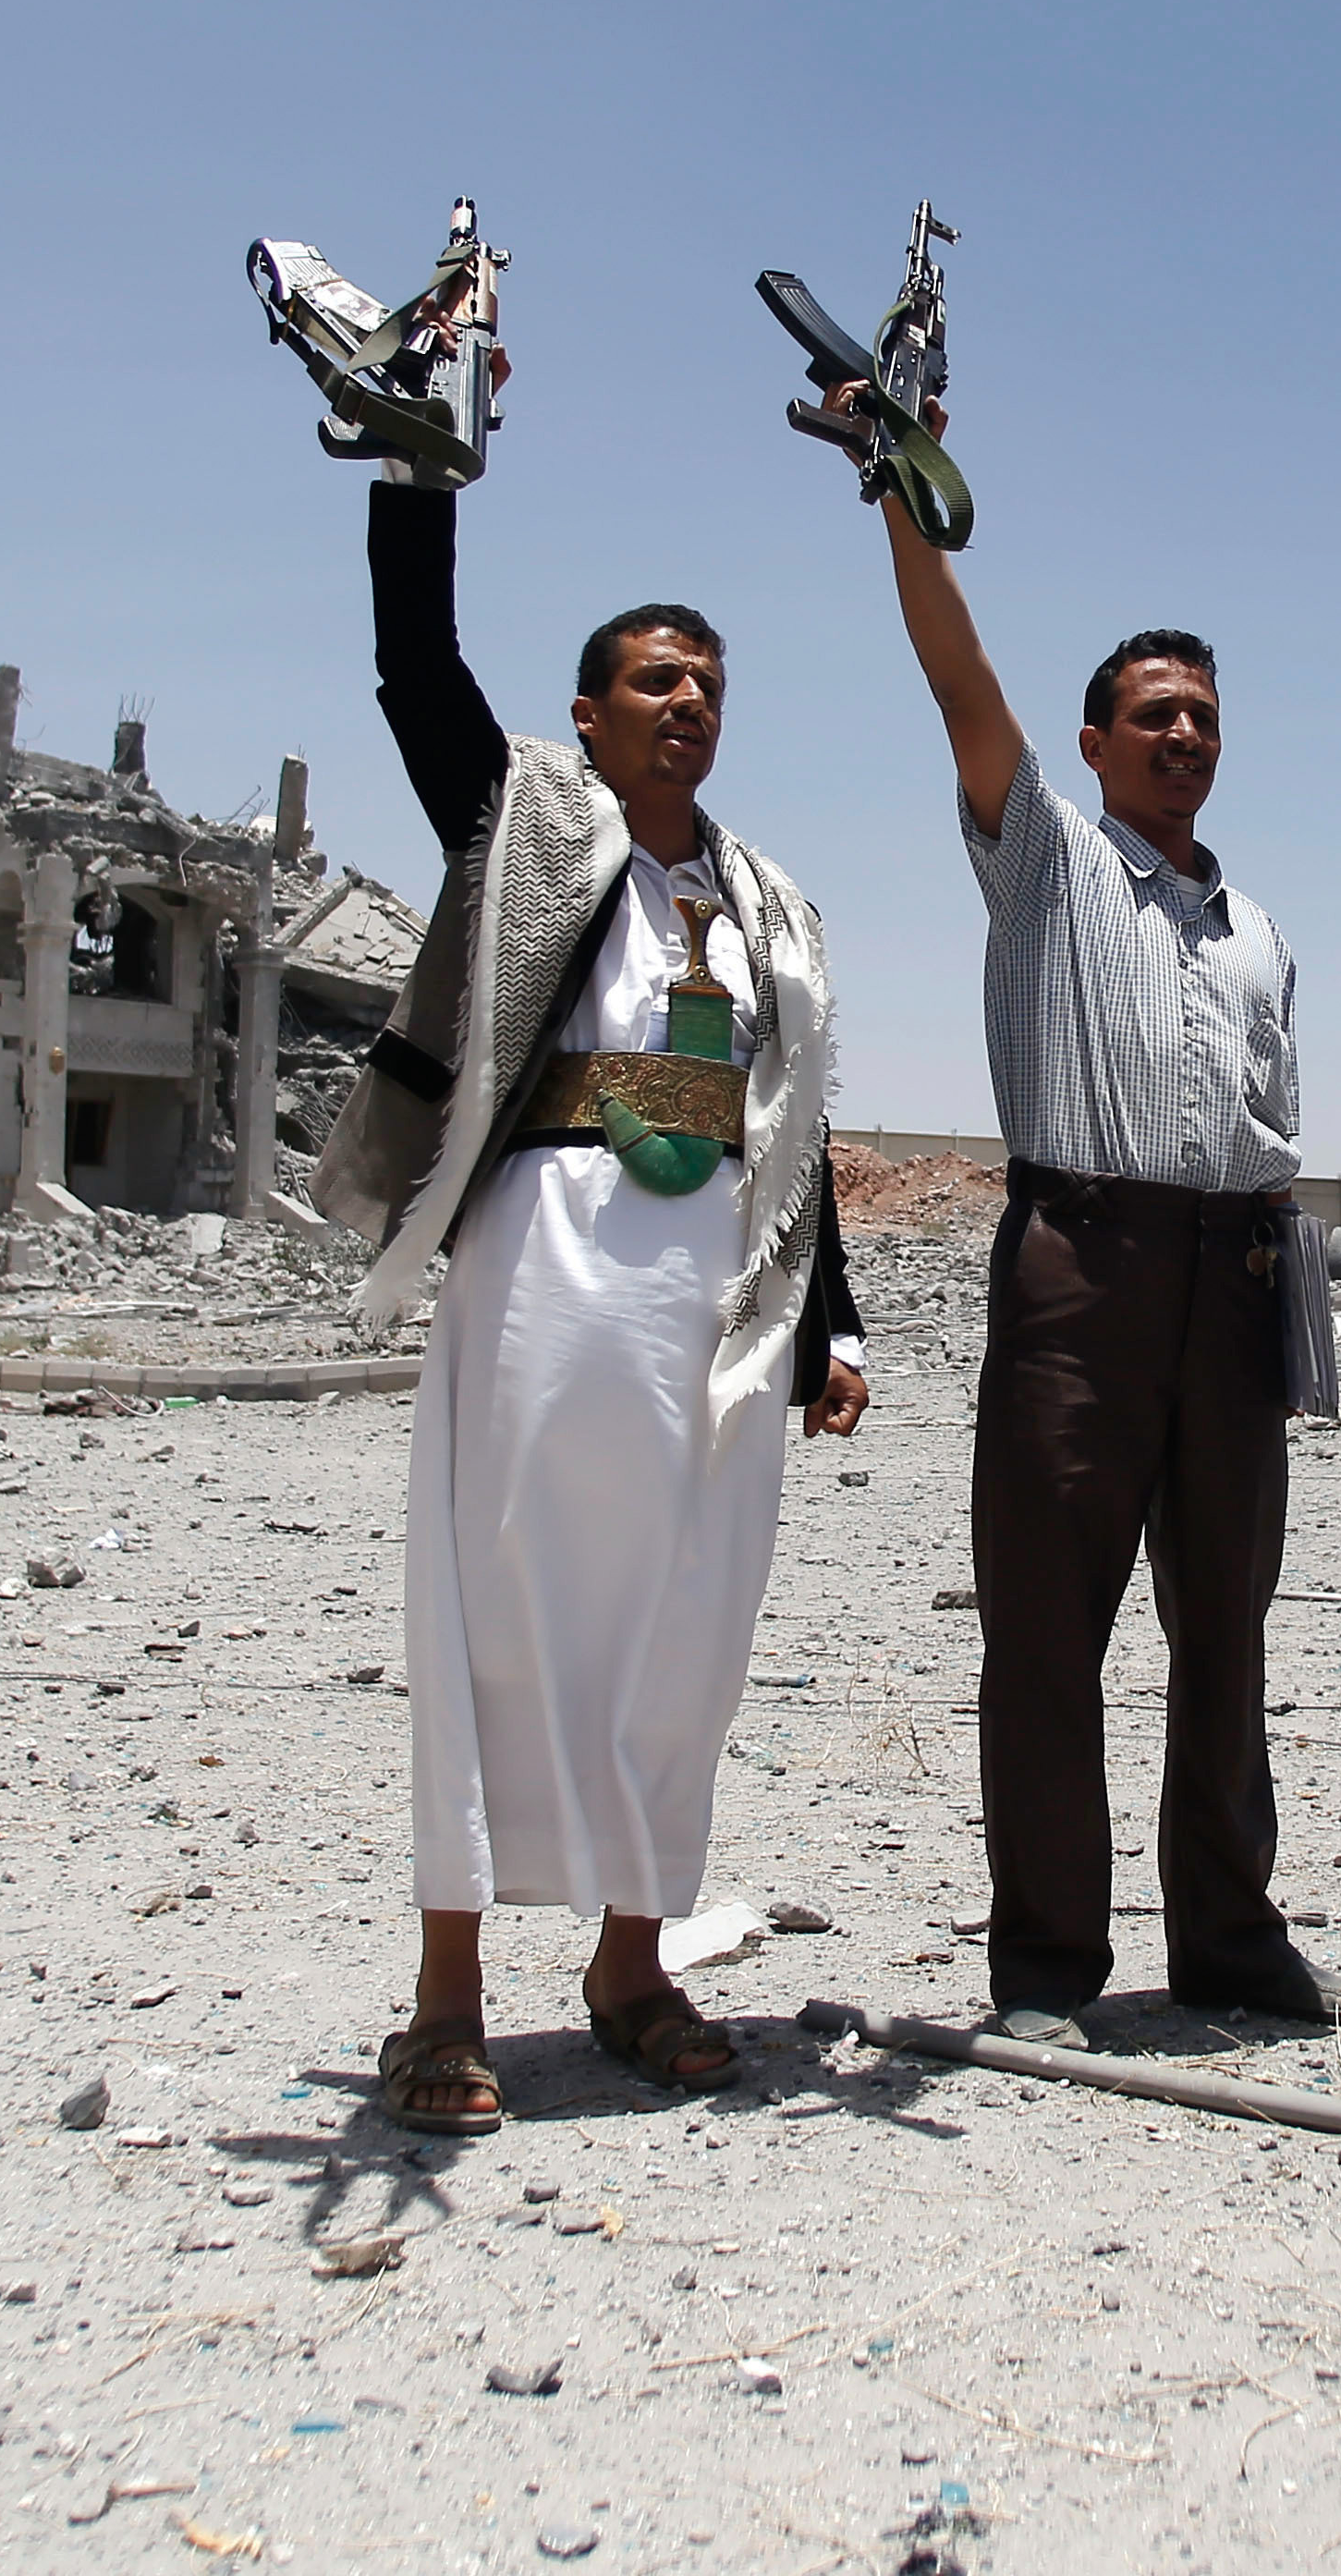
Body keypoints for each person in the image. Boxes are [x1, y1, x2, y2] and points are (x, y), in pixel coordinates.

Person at [306, 434, 872, 2138]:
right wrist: (419, 469)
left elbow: (790, 1125)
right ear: (591, 712)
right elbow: (415, 666)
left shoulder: (767, 904)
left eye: (706, 679)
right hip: (544, 1275)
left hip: (713, 1306)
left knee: (682, 1632)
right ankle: (447, 1997)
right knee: (500, 1615)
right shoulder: (529, 828)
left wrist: (826, 1318)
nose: (686, 699)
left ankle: (633, 1968)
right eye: (652, 679)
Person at [827, 383, 1341, 2048]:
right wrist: (899, 493)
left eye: (1201, 714)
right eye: (1152, 714)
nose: (1182, 735)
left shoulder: (1259, 926)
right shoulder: (1047, 860)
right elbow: (953, 676)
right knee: (1047, 1631)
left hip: (1236, 1273)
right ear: (1094, 742)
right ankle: (1048, 1968)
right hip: (1081, 1273)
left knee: (1229, 1633)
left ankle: (1229, 1942)